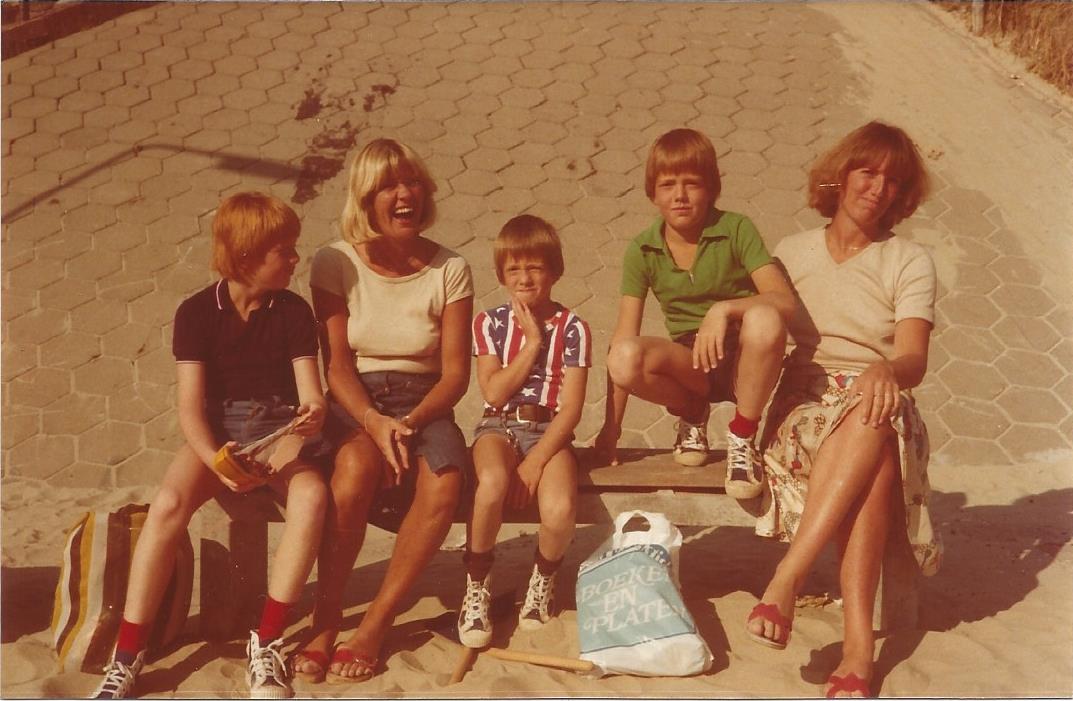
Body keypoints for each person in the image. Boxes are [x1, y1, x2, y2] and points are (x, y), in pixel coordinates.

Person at [91, 192, 329, 700]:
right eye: (283, 251)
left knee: (311, 496)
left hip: (277, 429)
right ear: (246, 257)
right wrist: (216, 464)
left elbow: (309, 391)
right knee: (169, 504)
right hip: (218, 430)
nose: (294, 259)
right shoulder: (197, 312)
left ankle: (265, 643)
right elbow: (190, 409)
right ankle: (127, 656)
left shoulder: (292, 310)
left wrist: (313, 414)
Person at [746, 121, 943, 699]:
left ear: (903, 196)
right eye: (867, 171)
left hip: (880, 397)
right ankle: (858, 645)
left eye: (893, 180)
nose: (878, 187)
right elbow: (759, 336)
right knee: (874, 451)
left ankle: (786, 582)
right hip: (802, 406)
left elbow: (914, 360)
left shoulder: (909, 260)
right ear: (840, 176)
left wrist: (884, 370)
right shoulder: (790, 253)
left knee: (873, 418)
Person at [292, 138, 473, 684]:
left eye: (412, 182)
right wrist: (374, 422)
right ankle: (325, 620)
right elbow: (338, 368)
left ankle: (374, 622)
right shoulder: (334, 262)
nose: (404, 196)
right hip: (358, 398)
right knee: (355, 469)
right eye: (389, 187)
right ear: (365, 199)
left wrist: (410, 423)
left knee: (444, 479)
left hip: (425, 401)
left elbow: (456, 375)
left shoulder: (451, 268)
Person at [595, 128, 794, 499]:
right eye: (668, 184)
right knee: (622, 358)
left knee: (766, 317)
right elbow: (623, 335)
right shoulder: (642, 249)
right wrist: (612, 429)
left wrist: (724, 310)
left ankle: (742, 438)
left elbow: (784, 301)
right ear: (652, 192)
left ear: (712, 188)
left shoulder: (735, 228)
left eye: (692, 183)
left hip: (745, 356)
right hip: (692, 364)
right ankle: (692, 414)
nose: (680, 196)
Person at [457, 215, 592, 647]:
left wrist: (536, 460)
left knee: (558, 510)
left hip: (548, 429)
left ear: (554, 271)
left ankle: (541, 580)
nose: (525, 277)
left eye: (534, 267)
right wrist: (532, 342)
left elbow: (571, 409)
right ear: (501, 274)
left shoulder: (574, 328)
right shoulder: (490, 323)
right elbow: (494, 390)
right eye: (514, 269)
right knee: (492, 482)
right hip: (498, 425)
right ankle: (477, 587)